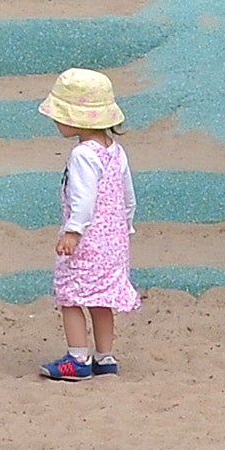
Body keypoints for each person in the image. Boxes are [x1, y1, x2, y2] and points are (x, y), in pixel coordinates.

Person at [41, 66, 135, 382]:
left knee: (72, 296)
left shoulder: (83, 155)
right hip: (114, 241)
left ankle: (77, 358)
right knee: (102, 298)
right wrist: (127, 226)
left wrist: (72, 231)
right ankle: (104, 356)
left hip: (88, 241)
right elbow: (128, 195)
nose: (55, 121)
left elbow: (83, 197)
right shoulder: (116, 152)